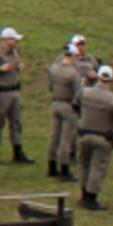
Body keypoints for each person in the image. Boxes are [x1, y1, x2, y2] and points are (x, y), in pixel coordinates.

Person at [75, 65, 113, 211]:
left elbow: (75, 106)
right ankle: (92, 198)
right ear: (112, 79)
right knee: (98, 168)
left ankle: (83, 194)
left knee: (83, 165)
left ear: (97, 77)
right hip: (103, 137)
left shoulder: (84, 92)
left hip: (84, 134)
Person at [0, 28, 34, 165]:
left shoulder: (15, 52)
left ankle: (18, 150)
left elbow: (14, 65)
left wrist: (18, 67)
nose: (16, 42)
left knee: (16, 122)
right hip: (2, 92)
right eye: (13, 39)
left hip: (14, 90)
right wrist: (1, 69)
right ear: (6, 40)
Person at [46, 44, 81, 183]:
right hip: (68, 105)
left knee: (54, 136)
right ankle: (65, 169)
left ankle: (52, 166)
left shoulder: (54, 69)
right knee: (66, 140)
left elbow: (50, 87)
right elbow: (78, 93)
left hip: (56, 103)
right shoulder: (73, 73)